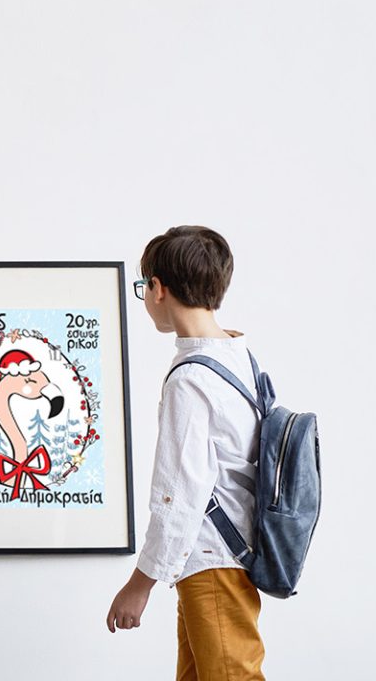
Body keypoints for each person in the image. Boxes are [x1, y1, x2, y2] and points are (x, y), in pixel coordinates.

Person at [105, 226, 266, 679]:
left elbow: (180, 494)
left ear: (157, 289)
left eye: (144, 286)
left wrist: (140, 584)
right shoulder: (238, 356)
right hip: (231, 556)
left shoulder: (190, 378)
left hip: (214, 561)